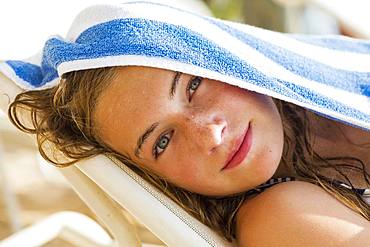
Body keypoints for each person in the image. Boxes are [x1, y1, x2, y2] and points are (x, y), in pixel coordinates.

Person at [3, 2, 370, 246]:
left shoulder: (338, 104)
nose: (209, 134)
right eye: (162, 142)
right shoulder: (281, 216)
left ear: (222, 58)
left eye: (194, 84)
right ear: (159, 179)